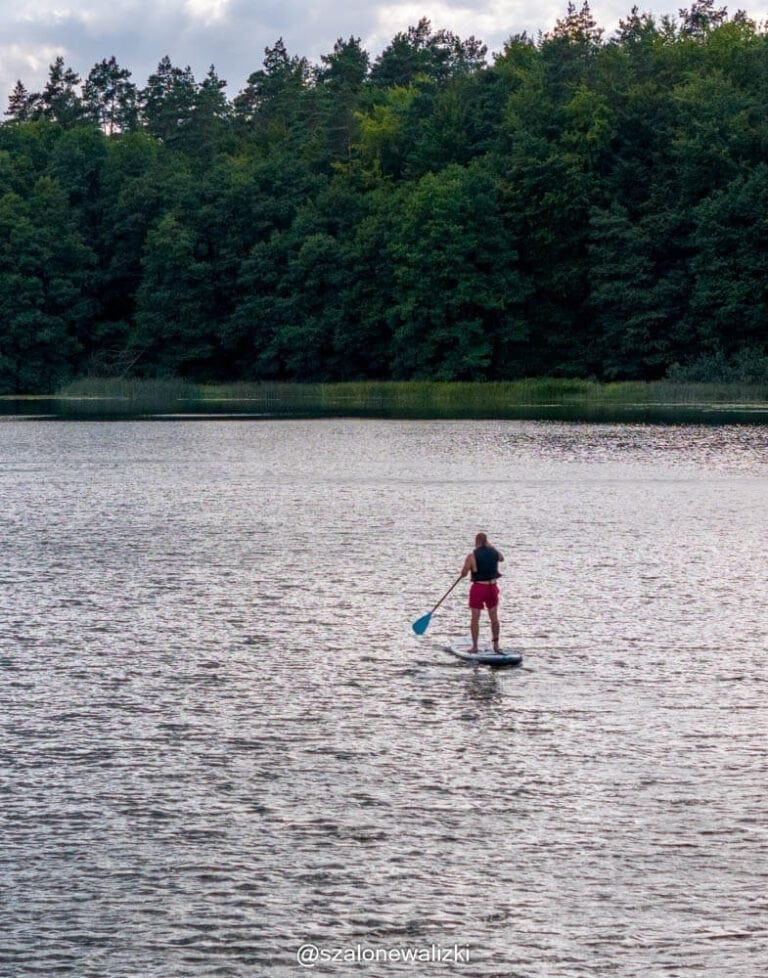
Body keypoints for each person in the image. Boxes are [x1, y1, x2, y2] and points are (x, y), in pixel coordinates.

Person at [460, 532, 504, 653]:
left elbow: (463, 574)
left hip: (479, 588)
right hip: (492, 587)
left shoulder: (472, 556)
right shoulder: (494, 552)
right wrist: (491, 546)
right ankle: (496, 646)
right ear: (486, 542)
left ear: (476, 542)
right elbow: (502, 558)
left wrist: (466, 569)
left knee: (475, 618)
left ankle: (474, 647)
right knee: (494, 617)